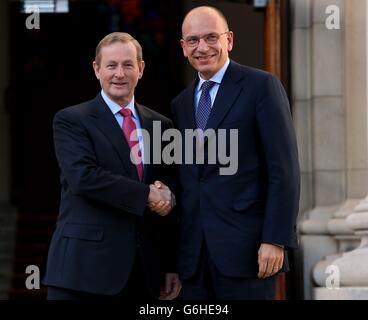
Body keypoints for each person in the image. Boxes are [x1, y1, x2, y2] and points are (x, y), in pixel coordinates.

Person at [168, 6, 300, 299]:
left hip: (249, 253)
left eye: (211, 37)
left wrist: (275, 239)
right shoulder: (180, 104)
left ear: (229, 40)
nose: (202, 47)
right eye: (193, 40)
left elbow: (284, 170)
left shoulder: (261, 86)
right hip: (194, 261)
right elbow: (189, 179)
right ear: (183, 47)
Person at [43, 32, 181, 300]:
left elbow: (170, 191)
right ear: (97, 70)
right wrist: (148, 195)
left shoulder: (161, 125)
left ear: (140, 69)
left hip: (143, 274)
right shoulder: (72, 120)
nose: (120, 73)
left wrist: (170, 265)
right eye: (111, 65)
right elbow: (84, 178)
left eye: (128, 65)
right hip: (83, 273)